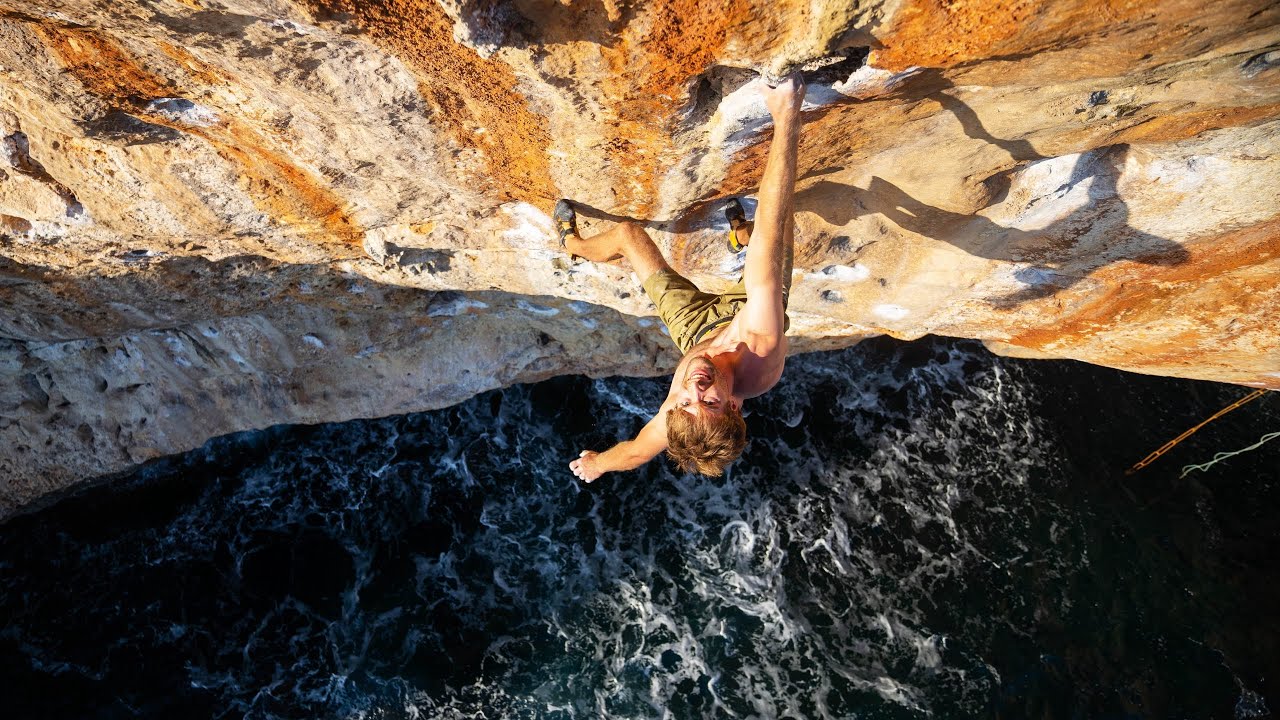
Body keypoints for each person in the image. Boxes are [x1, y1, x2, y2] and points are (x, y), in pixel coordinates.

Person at [558, 74, 805, 482]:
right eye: (708, 402)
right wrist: (786, 115)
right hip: (748, 307)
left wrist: (596, 464)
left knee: (627, 235)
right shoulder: (762, 346)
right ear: (733, 406)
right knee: (772, 229)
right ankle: (740, 233)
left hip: (695, 332)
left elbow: (637, 452)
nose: (694, 388)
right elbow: (768, 246)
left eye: (684, 404)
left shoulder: (680, 405)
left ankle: (573, 247)